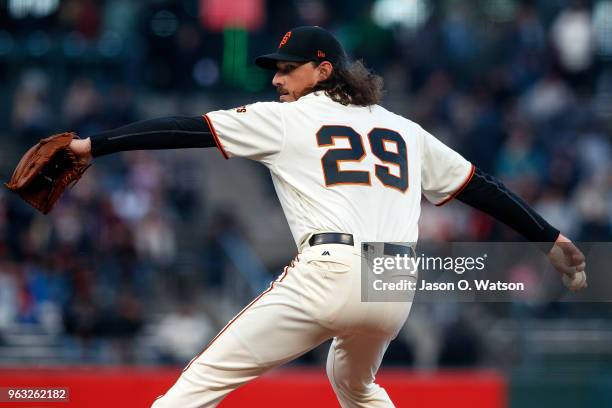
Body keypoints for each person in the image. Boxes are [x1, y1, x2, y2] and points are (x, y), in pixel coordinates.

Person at [67, 26, 586, 408]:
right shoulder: (404, 129)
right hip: (392, 282)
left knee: (197, 385)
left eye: (287, 67)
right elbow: (481, 188)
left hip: (331, 268)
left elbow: (185, 129)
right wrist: (550, 238)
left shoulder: (289, 119)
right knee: (356, 387)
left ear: (323, 71)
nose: (276, 78)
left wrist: (95, 145)